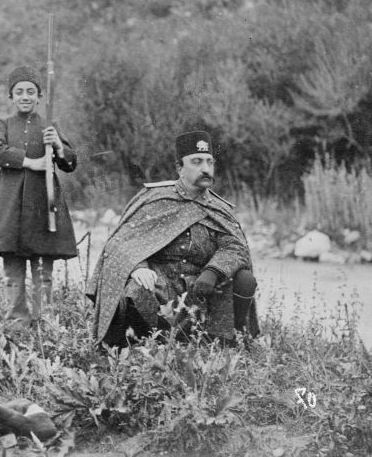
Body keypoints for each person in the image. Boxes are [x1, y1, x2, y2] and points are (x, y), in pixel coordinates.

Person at [86, 131, 260, 348]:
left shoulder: (219, 209)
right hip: (161, 286)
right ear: (179, 168)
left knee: (244, 279)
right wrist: (137, 266)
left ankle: (224, 342)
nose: (205, 169)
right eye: (196, 162)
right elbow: (121, 241)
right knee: (135, 289)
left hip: (202, 290)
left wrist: (213, 272)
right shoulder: (155, 199)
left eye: (209, 162)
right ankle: (138, 344)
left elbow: (235, 247)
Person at [0, 65, 78, 326]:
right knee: (13, 273)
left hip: (43, 207)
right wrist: (30, 162)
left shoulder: (49, 125)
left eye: (31, 91)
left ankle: (46, 326)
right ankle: (17, 325)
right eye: (19, 92)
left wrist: (57, 146)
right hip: (10, 208)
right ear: (11, 97)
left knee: (43, 274)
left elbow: (70, 162)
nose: (25, 96)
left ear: (39, 96)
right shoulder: (4, 125)